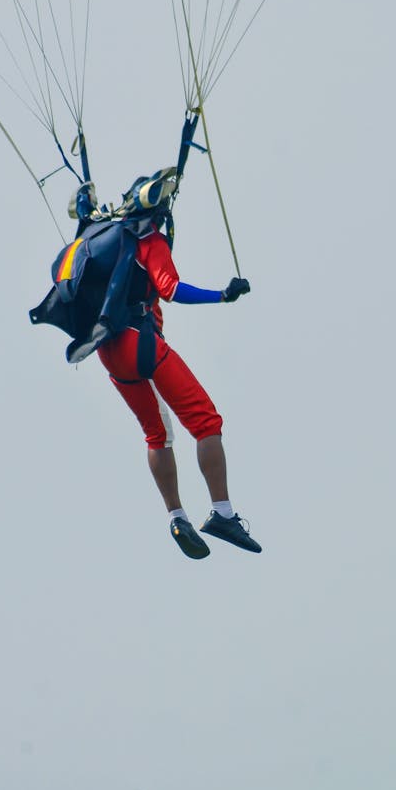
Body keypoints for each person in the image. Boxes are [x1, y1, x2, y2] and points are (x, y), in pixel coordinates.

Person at [93, 173, 262, 561]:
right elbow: (170, 288)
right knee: (205, 421)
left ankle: (176, 516)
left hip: (107, 350)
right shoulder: (148, 240)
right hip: (142, 343)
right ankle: (223, 514)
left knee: (156, 434)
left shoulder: (104, 237)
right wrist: (221, 295)